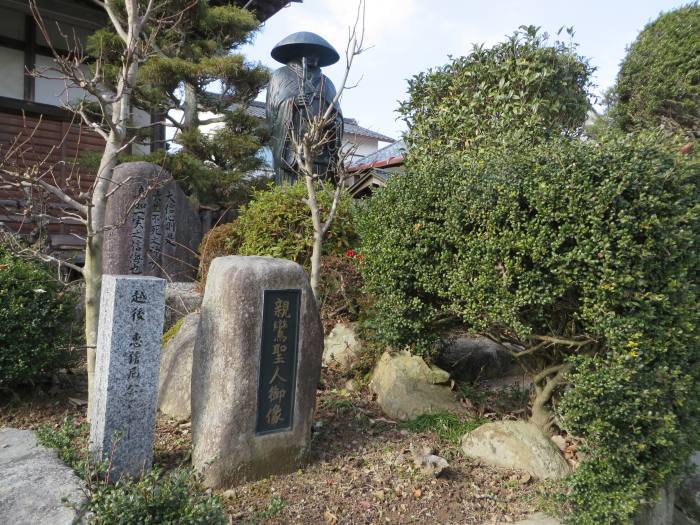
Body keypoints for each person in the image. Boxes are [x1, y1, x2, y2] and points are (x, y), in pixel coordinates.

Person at [266, 32, 344, 184]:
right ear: (298, 52)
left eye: (318, 53)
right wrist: (292, 103)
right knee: (291, 189)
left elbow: (338, 115)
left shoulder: (326, 82)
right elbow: (272, 112)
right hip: (292, 149)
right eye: (310, 51)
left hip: (320, 149)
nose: (314, 56)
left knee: (320, 192)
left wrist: (332, 123)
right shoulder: (280, 76)